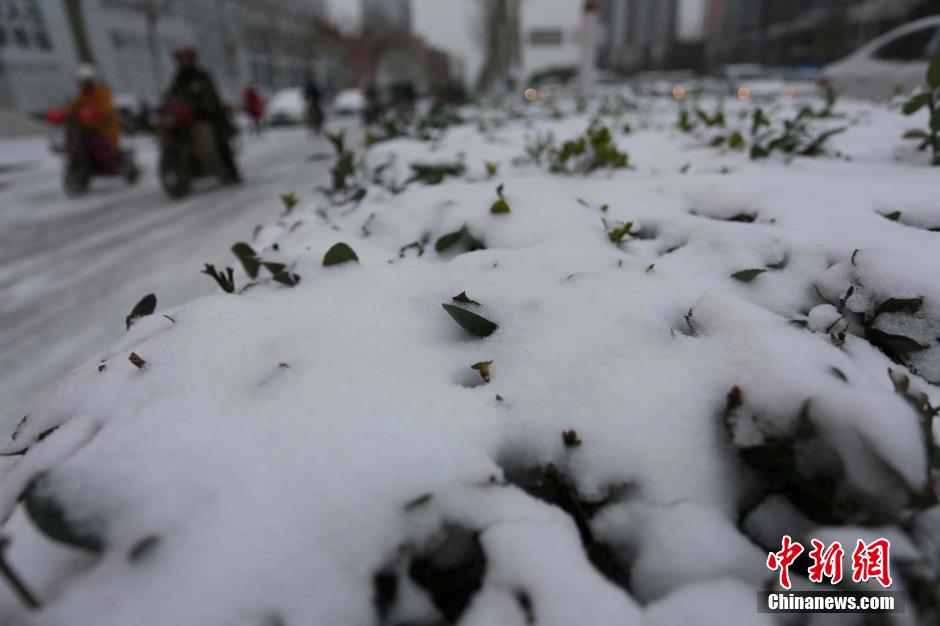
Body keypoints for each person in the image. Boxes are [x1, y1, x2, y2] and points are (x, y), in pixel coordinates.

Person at [164, 45, 241, 183]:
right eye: (180, 58)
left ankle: (231, 171)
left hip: (207, 115)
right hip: (187, 118)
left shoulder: (202, 75)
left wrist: (204, 106)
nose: (183, 61)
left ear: (192, 58)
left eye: (186, 58)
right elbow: (171, 95)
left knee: (219, 138)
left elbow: (210, 95)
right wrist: (164, 107)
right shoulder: (178, 78)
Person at [67, 64, 122, 171]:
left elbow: (105, 107)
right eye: (81, 82)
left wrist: (93, 112)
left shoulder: (103, 91)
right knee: (73, 139)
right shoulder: (81, 95)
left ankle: (112, 165)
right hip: (87, 128)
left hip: (104, 128)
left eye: (85, 81)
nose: (83, 84)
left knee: (97, 144)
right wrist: (63, 113)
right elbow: (72, 106)